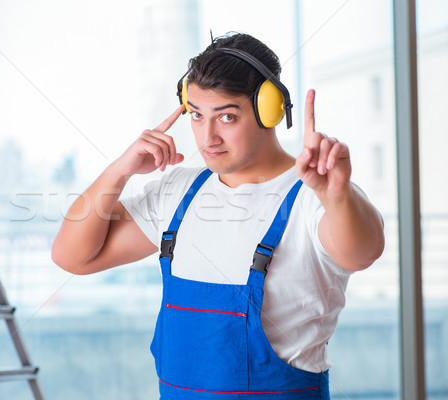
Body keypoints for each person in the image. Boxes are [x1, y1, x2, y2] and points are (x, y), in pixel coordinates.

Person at [51, 32, 384, 399]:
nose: (207, 137)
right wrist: (119, 170)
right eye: (196, 115)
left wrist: (336, 196)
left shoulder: (313, 195)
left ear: (268, 110)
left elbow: (362, 252)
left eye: (226, 116)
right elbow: (72, 258)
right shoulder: (179, 193)